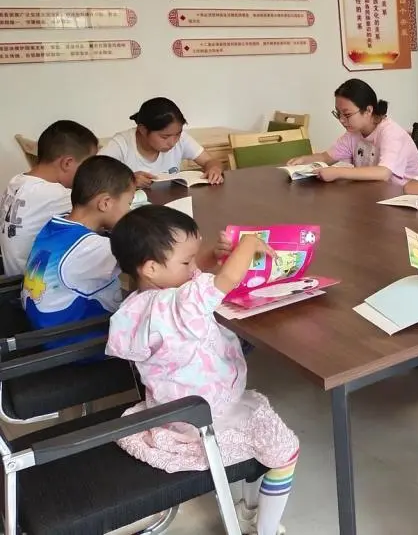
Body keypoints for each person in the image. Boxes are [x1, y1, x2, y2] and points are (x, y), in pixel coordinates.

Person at [106, 205, 298, 535]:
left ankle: (248, 509)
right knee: (285, 453)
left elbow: (193, 281)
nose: (194, 268)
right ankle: (264, 529)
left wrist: (205, 257)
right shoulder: (175, 305)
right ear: (151, 267)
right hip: (210, 416)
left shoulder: (136, 306)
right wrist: (248, 245)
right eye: (187, 262)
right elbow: (224, 281)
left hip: (170, 412)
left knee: (262, 437)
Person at [21, 155, 134, 347]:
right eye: (129, 203)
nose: (129, 211)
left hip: (42, 328)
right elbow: (146, 259)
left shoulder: (54, 224)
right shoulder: (92, 248)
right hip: (73, 341)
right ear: (105, 203)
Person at [1, 120, 98, 277]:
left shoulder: (17, 181)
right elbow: (102, 205)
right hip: (33, 283)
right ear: (67, 163)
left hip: (12, 275)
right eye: (87, 166)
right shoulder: (55, 195)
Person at [286, 79, 418, 184]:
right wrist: (304, 160)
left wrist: (338, 172)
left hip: (408, 198)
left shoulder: (390, 132)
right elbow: (326, 157)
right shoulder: (353, 133)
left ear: (368, 110)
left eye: (347, 114)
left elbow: (383, 173)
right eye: (338, 114)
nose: (341, 120)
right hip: (376, 194)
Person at [101, 97, 224, 189]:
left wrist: (214, 169)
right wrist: (127, 180)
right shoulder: (121, 144)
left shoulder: (180, 139)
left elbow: (210, 161)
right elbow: (93, 177)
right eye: (165, 137)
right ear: (143, 130)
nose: (173, 142)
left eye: (178, 134)